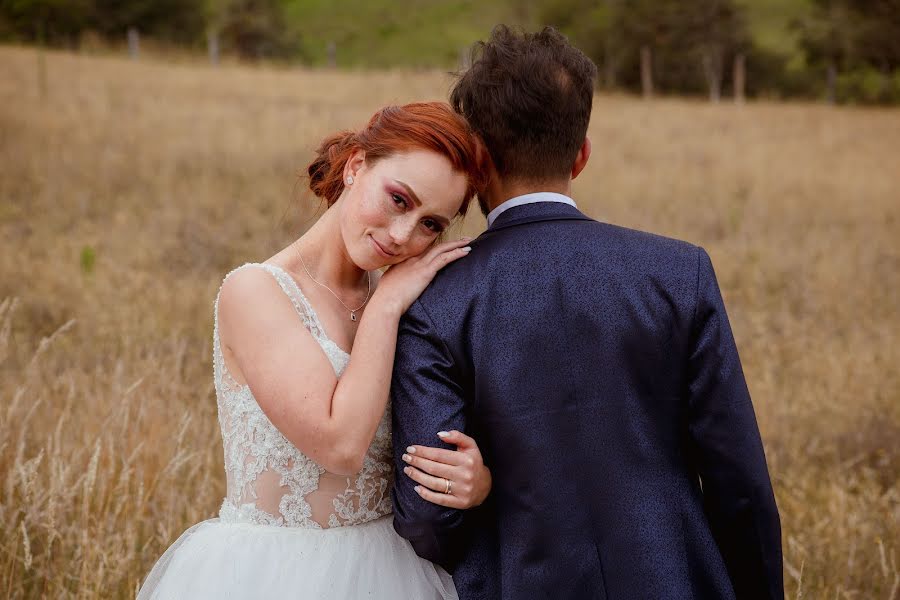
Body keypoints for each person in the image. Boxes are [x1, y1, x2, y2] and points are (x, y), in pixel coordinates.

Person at [391, 26, 784, 600]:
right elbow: (741, 486)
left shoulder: (434, 299)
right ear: (582, 153)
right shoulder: (680, 272)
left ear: (476, 160)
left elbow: (429, 514)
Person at [137, 102, 494, 600]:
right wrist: (386, 305)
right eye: (397, 199)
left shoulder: (415, 299)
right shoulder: (255, 291)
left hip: (392, 572)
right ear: (355, 167)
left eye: (430, 224)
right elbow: (341, 446)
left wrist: (475, 482)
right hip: (272, 575)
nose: (402, 236)